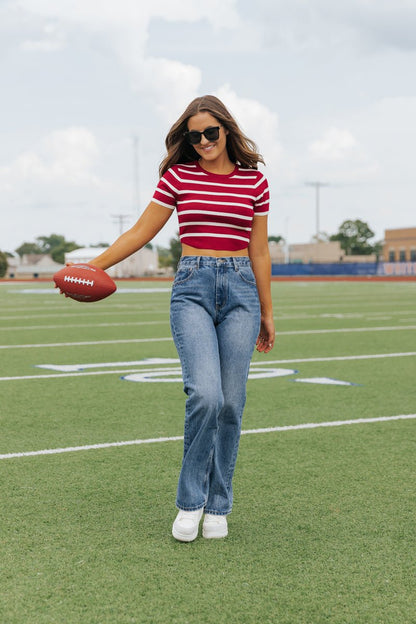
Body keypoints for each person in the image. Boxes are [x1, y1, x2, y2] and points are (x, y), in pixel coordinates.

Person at [88, 95, 275, 542]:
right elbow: (139, 232)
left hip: (241, 292)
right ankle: (190, 502)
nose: (205, 140)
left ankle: (218, 505)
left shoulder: (255, 182)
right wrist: (93, 267)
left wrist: (268, 312)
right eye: (195, 135)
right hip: (192, 286)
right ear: (187, 140)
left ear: (227, 130)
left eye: (212, 131)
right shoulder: (179, 176)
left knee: (231, 403)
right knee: (206, 396)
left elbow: (260, 250)